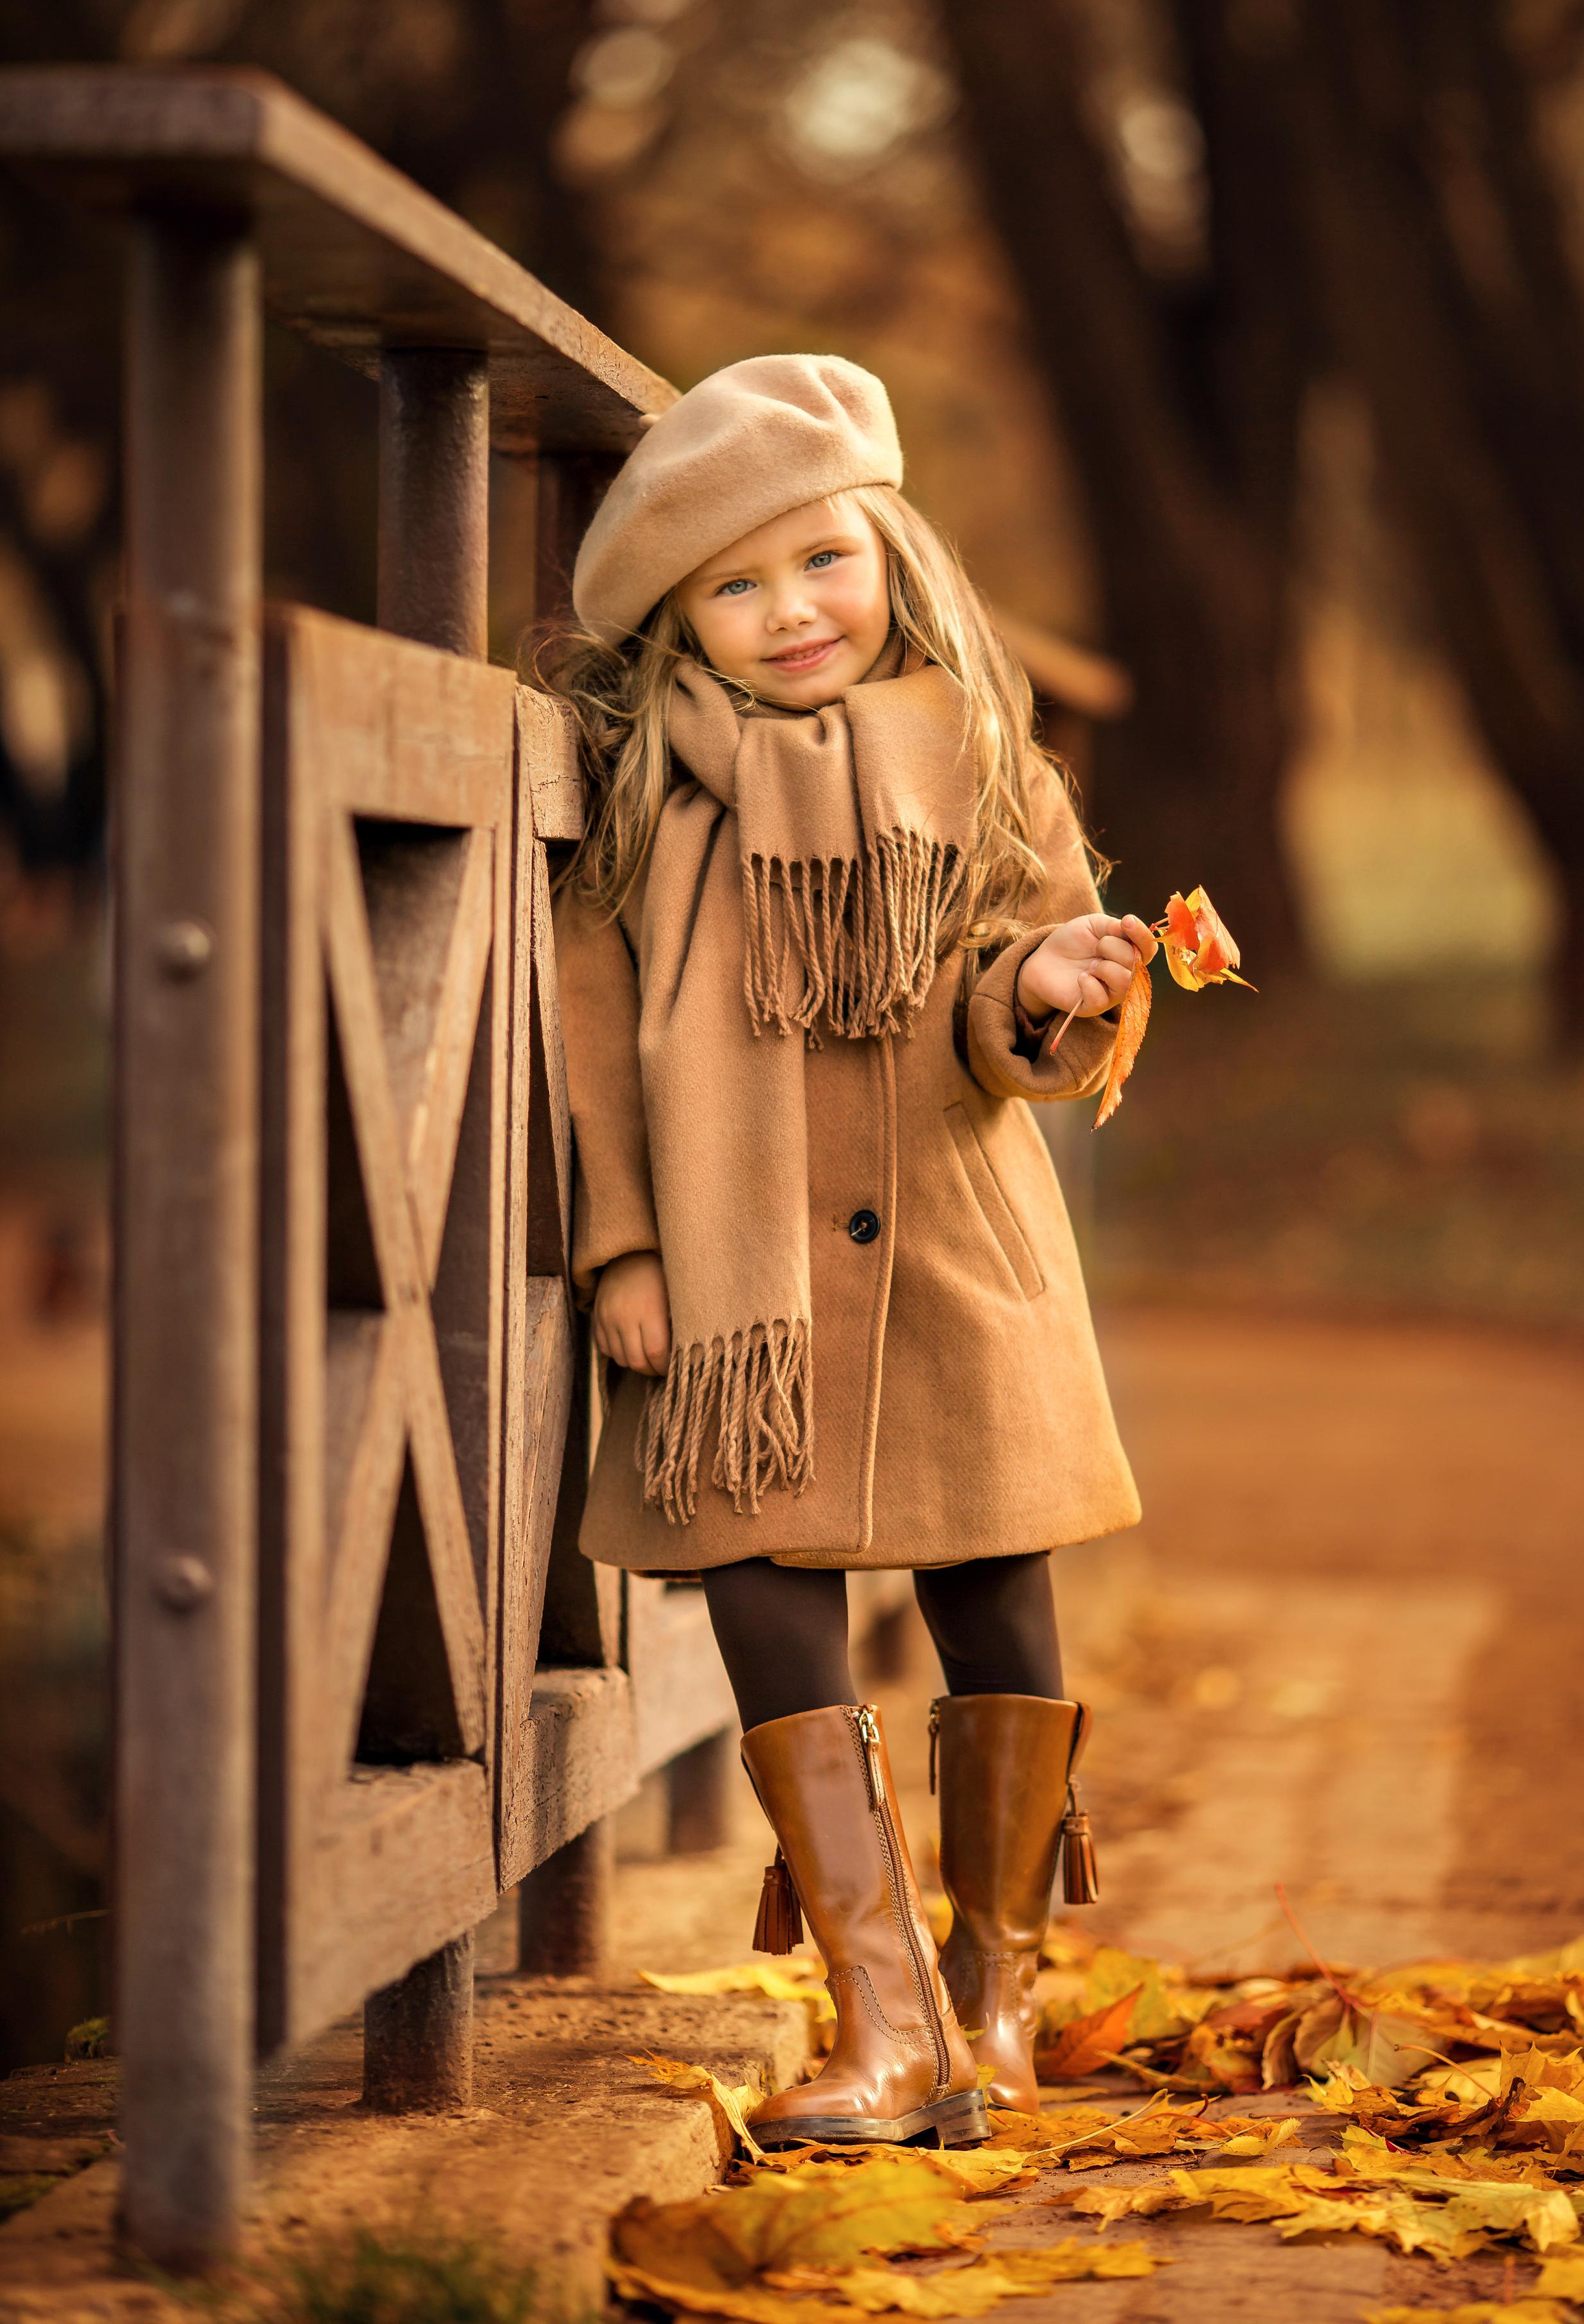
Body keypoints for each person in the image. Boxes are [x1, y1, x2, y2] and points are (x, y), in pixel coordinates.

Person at [544, 355, 1147, 2148]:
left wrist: (1045, 992)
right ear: (679, 620)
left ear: (889, 552)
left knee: (996, 1589)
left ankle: (994, 2004)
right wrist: (624, 1250)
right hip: (742, 1295)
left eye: (820, 561)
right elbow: (590, 1042)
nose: (788, 611)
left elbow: (1013, 1006)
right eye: (734, 585)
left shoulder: (985, 760)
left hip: (957, 1252)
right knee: (761, 1581)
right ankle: (879, 2023)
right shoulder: (655, 793)